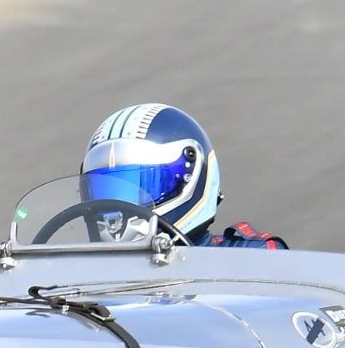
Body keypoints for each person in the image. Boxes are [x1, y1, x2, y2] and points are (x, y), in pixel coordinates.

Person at [81, 104, 287, 249]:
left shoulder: (246, 258)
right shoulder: (80, 276)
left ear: (190, 175)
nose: (118, 216)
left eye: (141, 188)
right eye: (104, 191)